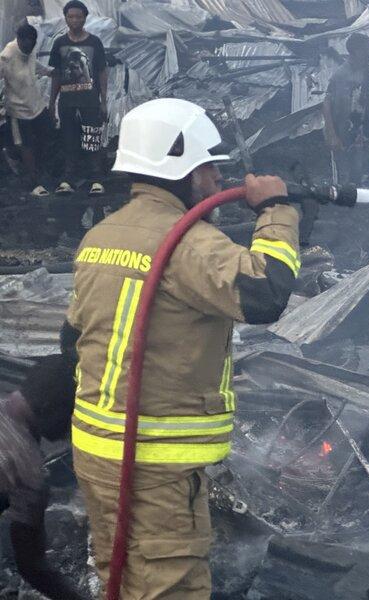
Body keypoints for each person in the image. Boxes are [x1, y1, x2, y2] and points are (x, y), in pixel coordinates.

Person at [61, 97, 300, 598]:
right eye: (208, 167)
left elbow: (71, 338)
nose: (216, 180)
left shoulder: (100, 236)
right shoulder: (186, 243)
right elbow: (266, 293)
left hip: (97, 452)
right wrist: (276, 211)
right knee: (170, 587)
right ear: (183, 169)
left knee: (122, 578)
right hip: (152, 467)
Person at [0, 355, 83, 600]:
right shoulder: (28, 473)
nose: (70, 428)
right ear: (51, 409)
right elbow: (33, 568)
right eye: (72, 415)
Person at [48, 0, 108, 196]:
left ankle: (96, 180)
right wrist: (52, 103)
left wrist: (104, 101)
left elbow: (101, 72)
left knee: (92, 139)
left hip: (90, 101)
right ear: (65, 18)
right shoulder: (59, 43)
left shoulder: (94, 42)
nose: (75, 20)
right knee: (69, 140)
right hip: (67, 102)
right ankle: (68, 180)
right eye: (71, 16)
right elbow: (56, 74)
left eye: (78, 16)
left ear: (85, 18)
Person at [0, 22, 54, 197]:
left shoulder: (30, 51)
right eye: (26, 45)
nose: (29, 48)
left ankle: (31, 166)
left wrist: (48, 71)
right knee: (26, 145)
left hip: (36, 106)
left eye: (32, 45)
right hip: (18, 110)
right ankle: (33, 182)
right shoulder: (7, 57)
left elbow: (34, 63)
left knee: (47, 135)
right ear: (19, 40)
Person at [323, 32, 369, 187]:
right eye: (367, 49)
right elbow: (326, 102)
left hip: (358, 129)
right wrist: (331, 133)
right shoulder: (341, 75)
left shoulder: (363, 72)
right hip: (342, 131)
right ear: (357, 51)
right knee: (343, 170)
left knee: (357, 169)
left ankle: (355, 195)